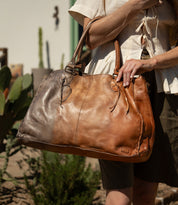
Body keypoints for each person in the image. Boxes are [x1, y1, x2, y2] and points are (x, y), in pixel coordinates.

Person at [69, 0, 178, 204]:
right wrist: (138, 4)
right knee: (120, 196)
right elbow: (91, 37)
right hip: (115, 88)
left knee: (146, 194)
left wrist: (152, 62)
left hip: (163, 88)